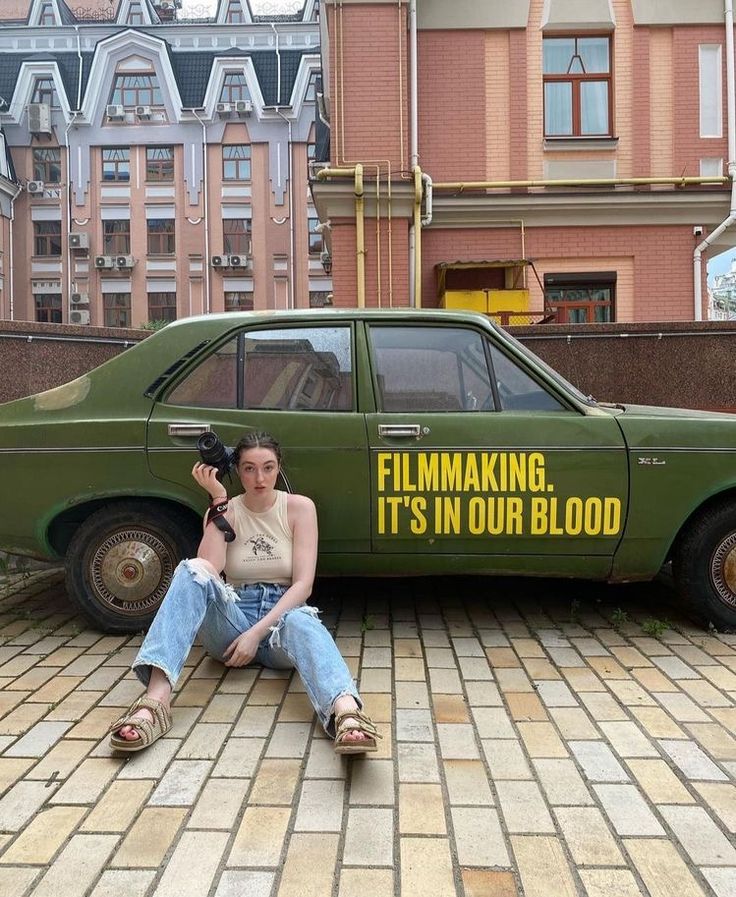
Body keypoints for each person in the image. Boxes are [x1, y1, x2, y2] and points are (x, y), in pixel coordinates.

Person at [109, 430, 379, 755]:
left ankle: (346, 713)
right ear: (238, 471)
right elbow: (207, 571)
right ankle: (154, 704)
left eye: (267, 467)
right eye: (249, 468)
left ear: (279, 468)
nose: (259, 478)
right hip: (232, 622)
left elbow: (303, 585)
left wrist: (257, 634)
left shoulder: (299, 508)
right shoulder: (223, 510)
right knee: (190, 569)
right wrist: (218, 502)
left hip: (282, 620)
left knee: (304, 621)